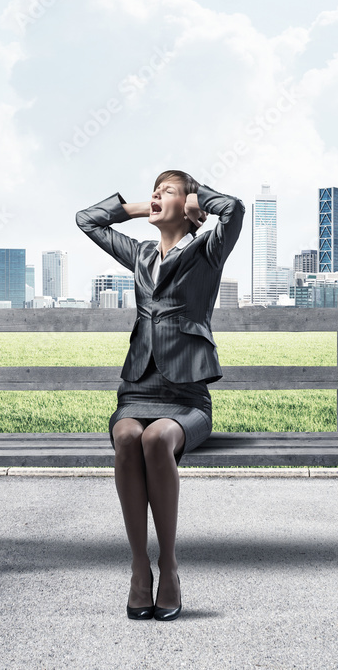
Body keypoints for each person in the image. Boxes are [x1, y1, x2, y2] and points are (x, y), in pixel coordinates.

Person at [75, 170, 245, 621]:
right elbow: (87, 220)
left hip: (187, 399)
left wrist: (197, 201)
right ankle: (138, 568)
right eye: (155, 189)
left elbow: (233, 209)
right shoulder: (141, 254)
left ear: (189, 207)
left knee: (155, 440)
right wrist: (138, 207)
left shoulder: (208, 249)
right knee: (130, 436)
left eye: (165, 190)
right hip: (136, 391)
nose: (156, 195)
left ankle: (167, 566)